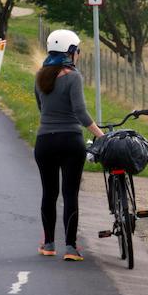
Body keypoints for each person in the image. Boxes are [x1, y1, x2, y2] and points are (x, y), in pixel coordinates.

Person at [34, 29, 104, 261]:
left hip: (45, 141)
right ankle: (71, 248)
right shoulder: (73, 77)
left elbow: (41, 109)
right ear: (70, 52)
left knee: (49, 193)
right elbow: (80, 112)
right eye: (78, 51)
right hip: (70, 141)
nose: (79, 55)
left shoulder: (40, 76)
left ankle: (48, 245)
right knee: (70, 193)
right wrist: (100, 135)